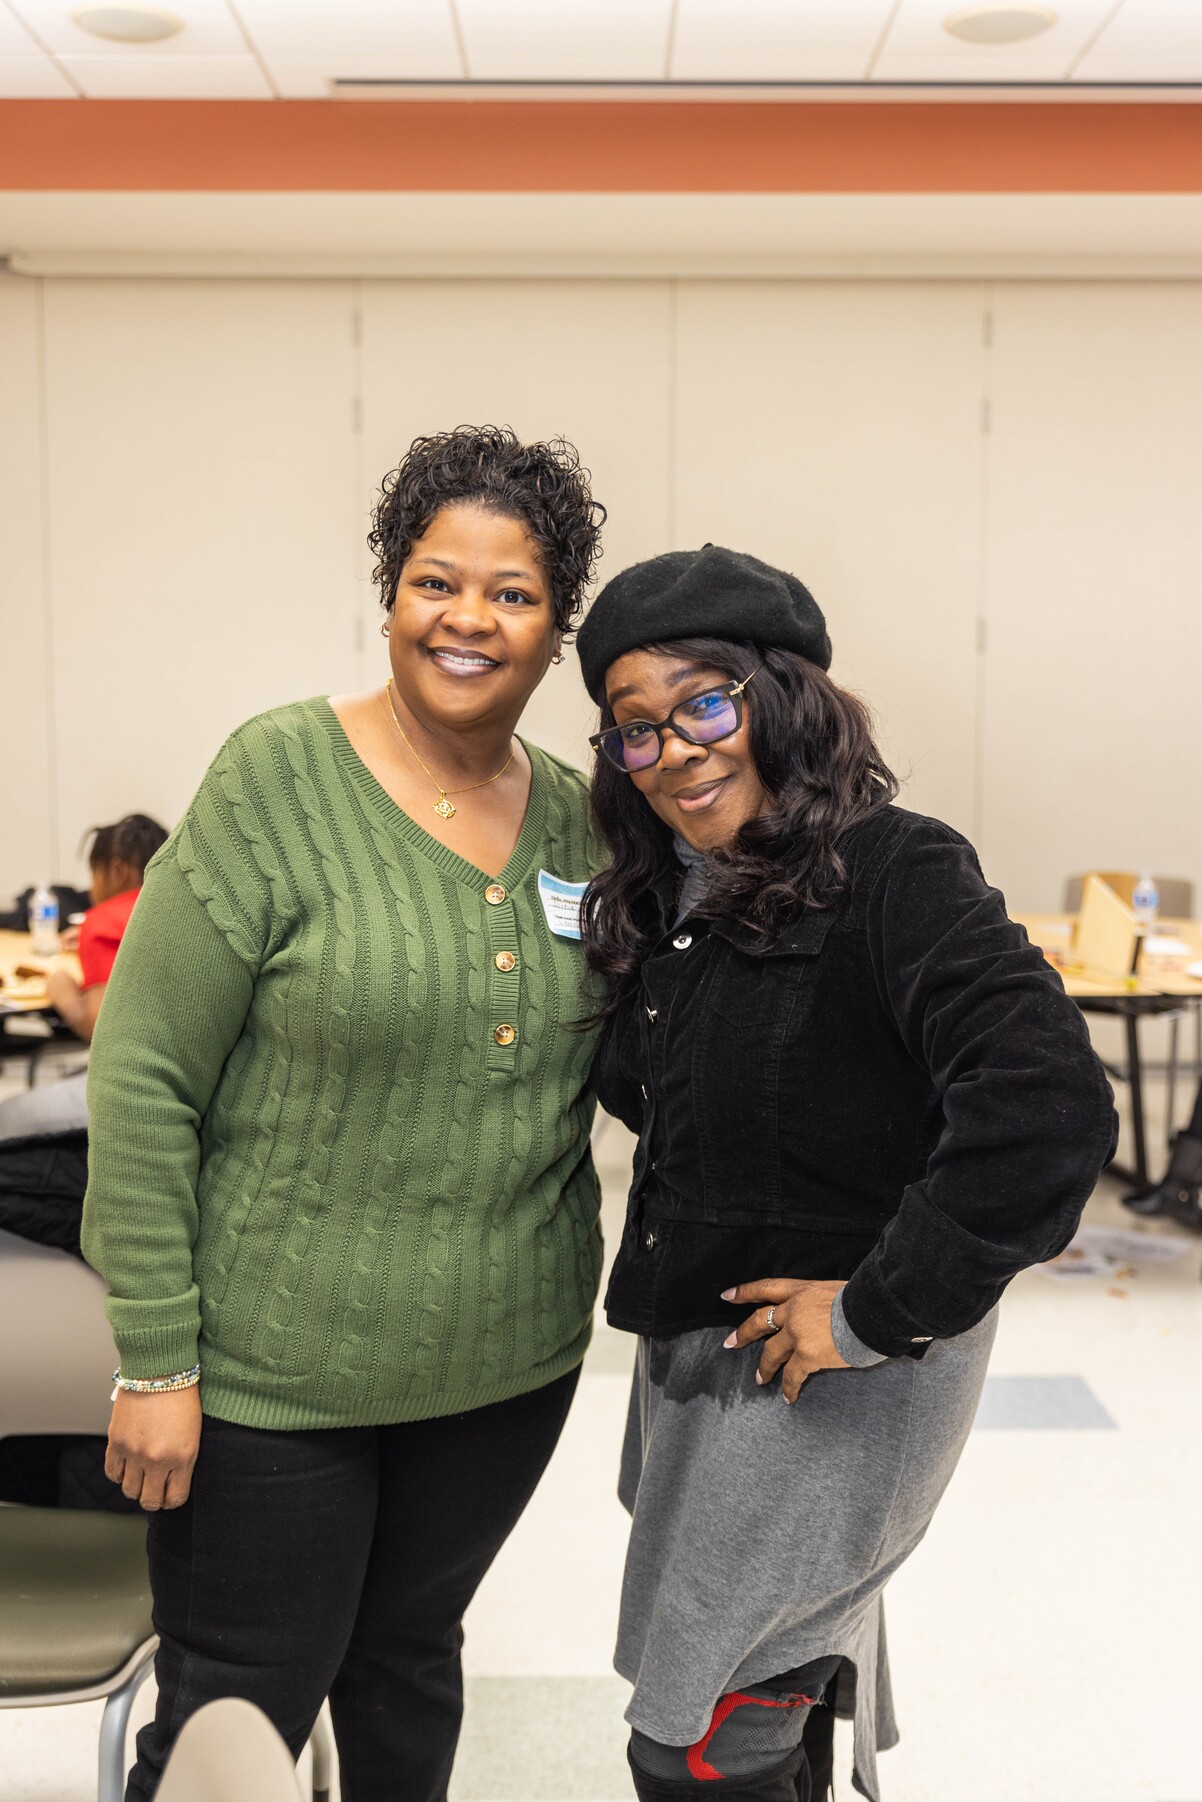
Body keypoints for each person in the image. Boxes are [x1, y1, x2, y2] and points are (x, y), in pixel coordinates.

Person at [81, 426, 607, 1802]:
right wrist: (153, 1361)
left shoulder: (581, 823)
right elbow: (141, 1077)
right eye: (438, 581)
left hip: (502, 1369)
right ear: (391, 591)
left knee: (409, 1659)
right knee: (235, 1707)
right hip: (267, 1377)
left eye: (513, 592)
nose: (468, 619)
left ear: (557, 629)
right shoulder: (274, 778)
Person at [575, 546, 1118, 1802]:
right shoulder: (678, 899)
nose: (678, 748)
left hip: (828, 1378)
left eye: (706, 699)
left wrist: (876, 1307)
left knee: (697, 1746)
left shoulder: (891, 870)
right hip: (710, 1367)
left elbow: (1045, 1110)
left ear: (783, 695)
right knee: (759, 1683)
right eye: (635, 728)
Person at [0, 813, 168, 1143]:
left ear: (117, 870)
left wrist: (62, 990)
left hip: (137, 1093)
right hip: (193, 1081)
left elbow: (95, 1026)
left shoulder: (102, 922)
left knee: (6, 1119)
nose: (91, 889)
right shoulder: (174, 907)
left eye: (95, 875)